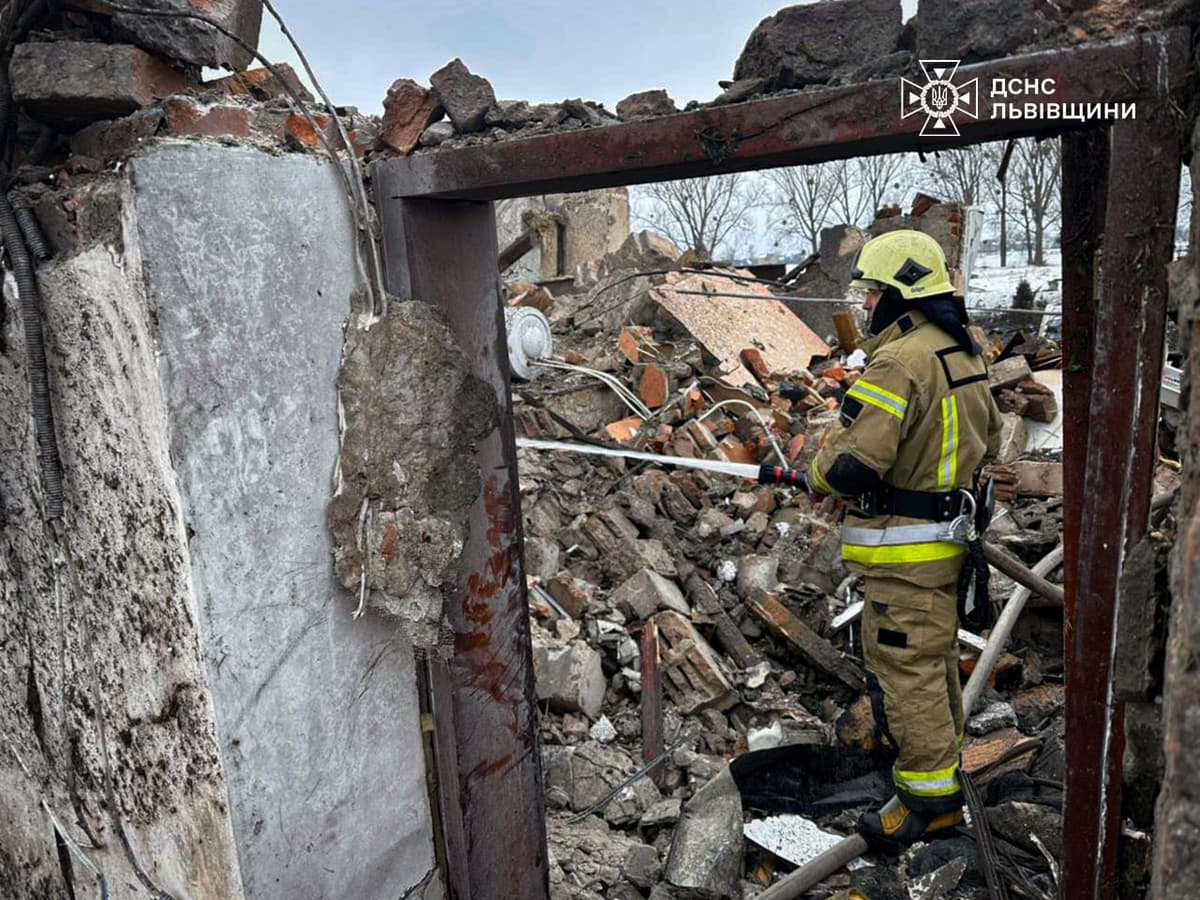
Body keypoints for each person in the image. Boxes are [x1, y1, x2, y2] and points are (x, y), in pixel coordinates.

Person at [806, 229, 1003, 850]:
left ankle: (927, 805)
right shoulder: (961, 351)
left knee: (906, 674)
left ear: (901, 293)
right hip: (944, 549)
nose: (865, 305)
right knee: (933, 664)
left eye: (872, 292)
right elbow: (993, 439)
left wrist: (816, 475)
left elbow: (852, 464)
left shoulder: (899, 362)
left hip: (904, 555)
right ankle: (942, 775)